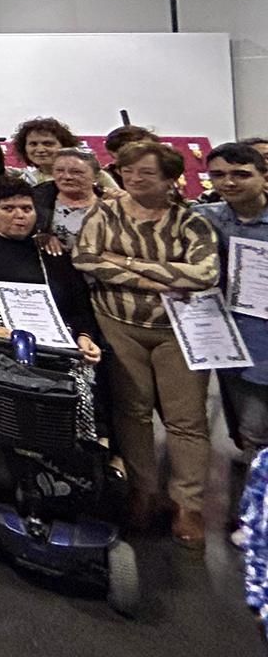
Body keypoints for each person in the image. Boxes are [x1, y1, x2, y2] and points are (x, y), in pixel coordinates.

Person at [73, 140, 219, 549]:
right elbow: (85, 258)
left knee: (186, 419)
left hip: (178, 330)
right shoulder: (104, 212)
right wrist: (160, 277)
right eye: (129, 171)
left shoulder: (191, 222)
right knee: (131, 411)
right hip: (118, 324)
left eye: (146, 174)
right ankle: (142, 490)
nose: (134, 179)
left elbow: (204, 272)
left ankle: (187, 503)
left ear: (171, 179)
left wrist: (125, 264)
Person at [0, 176, 101, 443]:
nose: (19, 216)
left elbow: (78, 305)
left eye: (26, 208)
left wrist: (85, 337)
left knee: (77, 384)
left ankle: (67, 453)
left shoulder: (50, 252)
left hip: (47, 333)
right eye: (8, 209)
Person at [196, 144, 268, 468]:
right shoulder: (205, 218)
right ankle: (259, 510)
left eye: (241, 174)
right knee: (252, 432)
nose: (229, 182)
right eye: (219, 175)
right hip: (240, 344)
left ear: (263, 176)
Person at [34, 149, 102, 254]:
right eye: (59, 170)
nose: (67, 177)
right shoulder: (36, 199)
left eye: (76, 172)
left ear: (96, 176)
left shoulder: (112, 204)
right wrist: (41, 238)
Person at [11, 117, 79, 187]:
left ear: (65, 146)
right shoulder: (24, 182)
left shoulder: (81, 179)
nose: (40, 150)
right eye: (33, 144)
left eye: (48, 144)